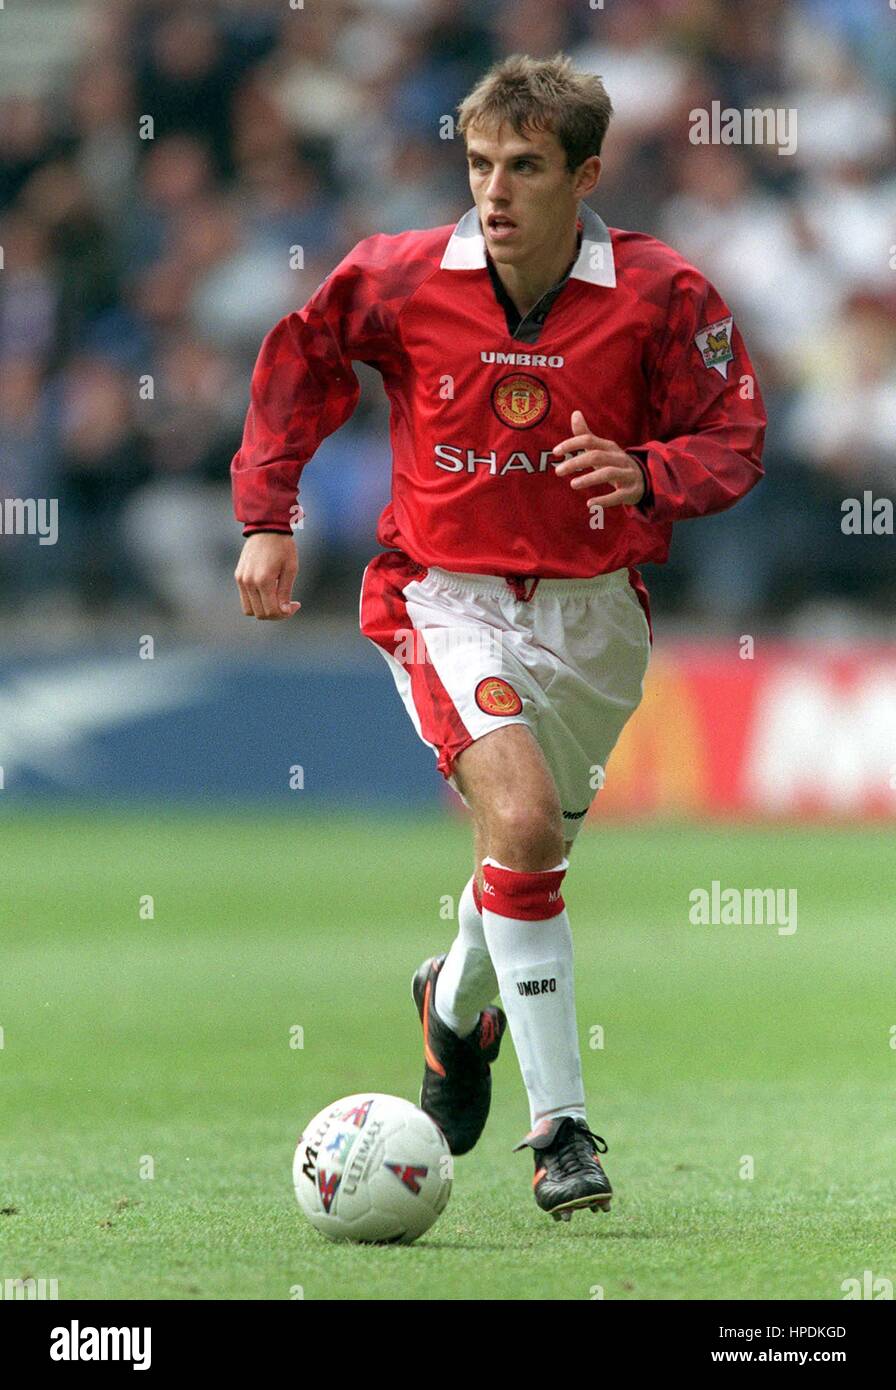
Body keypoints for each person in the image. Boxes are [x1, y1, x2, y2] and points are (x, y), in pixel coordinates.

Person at [231, 54, 766, 1222]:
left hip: (594, 621)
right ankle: (560, 1130)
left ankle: (449, 1004)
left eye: (524, 167)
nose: (495, 190)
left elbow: (733, 434)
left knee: (526, 861)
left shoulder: (661, 293)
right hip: (443, 596)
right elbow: (301, 363)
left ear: (583, 174)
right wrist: (268, 515)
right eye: (479, 164)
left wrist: (648, 471)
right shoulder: (402, 277)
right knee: (519, 821)